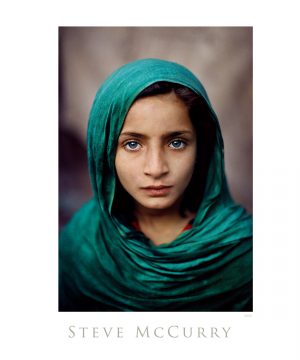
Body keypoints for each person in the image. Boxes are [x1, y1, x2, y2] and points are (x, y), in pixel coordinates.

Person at [59, 58, 253, 311]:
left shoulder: (244, 252)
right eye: (132, 144)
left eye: (176, 143)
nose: (156, 168)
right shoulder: (80, 244)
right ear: (104, 151)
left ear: (202, 148)